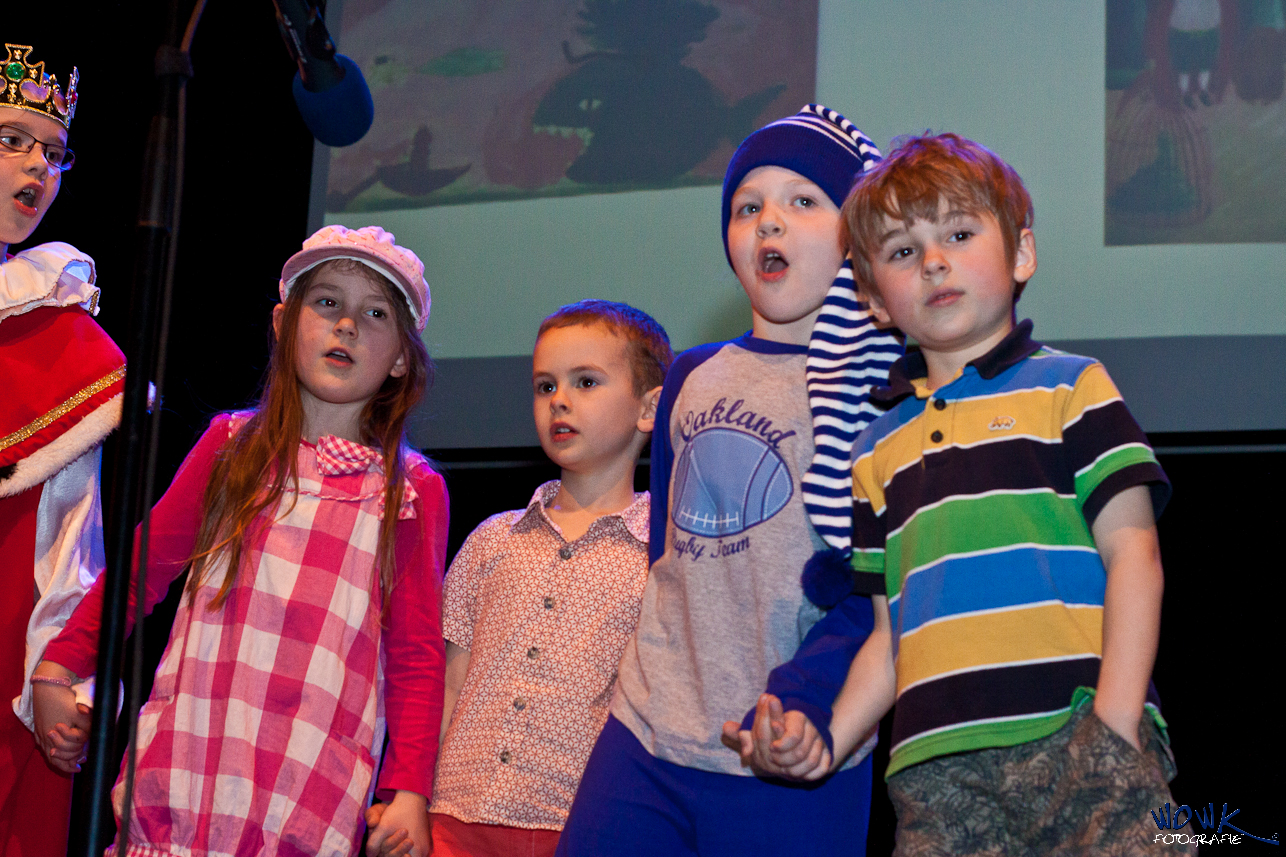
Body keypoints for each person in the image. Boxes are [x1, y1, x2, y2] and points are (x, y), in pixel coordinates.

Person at [748, 133, 1189, 855]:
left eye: (958, 234)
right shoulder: (873, 450)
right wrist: (828, 741)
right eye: (902, 251)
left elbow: (1135, 556)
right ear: (873, 300)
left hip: (1082, 734)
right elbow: (888, 636)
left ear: (1021, 254)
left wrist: (1115, 719)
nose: (933, 261)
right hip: (936, 774)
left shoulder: (1072, 387)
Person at [34, 225, 448, 857]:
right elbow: (144, 568)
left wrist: (409, 790)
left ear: (400, 358)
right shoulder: (232, 448)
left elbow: (415, 651)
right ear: (283, 323)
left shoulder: (409, 491)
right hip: (189, 769)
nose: (346, 325)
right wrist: (60, 666)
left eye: (375, 314)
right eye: (327, 302)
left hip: (307, 787)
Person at [554, 105, 902, 857]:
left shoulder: (883, 393)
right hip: (647, 733)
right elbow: (667, 553)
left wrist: (808, 703)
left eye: (803, 200)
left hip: (794, 748)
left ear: (858, 235)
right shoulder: (691, 375)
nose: (769, 221)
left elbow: (879, 594)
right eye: (749, 207)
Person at [368, 300, 673, 857]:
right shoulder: (494, 540)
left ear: (649, 407)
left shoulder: (662, 557)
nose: (559, 400)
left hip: (578, 824)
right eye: (545, 386)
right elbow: (446, 685)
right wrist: (409, 794)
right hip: (456, 818)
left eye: (585, 382)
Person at [0, 43, 123, 856]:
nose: (38, 166)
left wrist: (58, 670)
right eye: (13, 140)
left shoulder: (53, 336)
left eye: (53, 151)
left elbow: (72, 537)